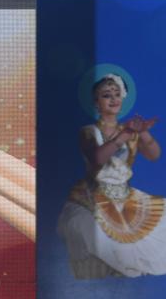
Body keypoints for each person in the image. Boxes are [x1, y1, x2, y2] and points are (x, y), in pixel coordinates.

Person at [57, 74, 163, 278]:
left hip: (125, 199)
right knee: (95, 234)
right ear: (96, 103)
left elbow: (154, 155)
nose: (113, 99)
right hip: (93, 199)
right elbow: (98, 158)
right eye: (107, 95)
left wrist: (143, 133)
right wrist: (125, 134)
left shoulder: (130, 131)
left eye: (117, 94)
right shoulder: (89, 131)